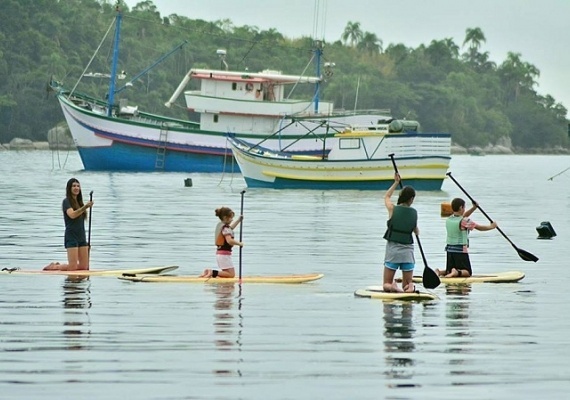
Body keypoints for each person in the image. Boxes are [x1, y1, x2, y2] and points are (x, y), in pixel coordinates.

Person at [437, 198, 497, 278]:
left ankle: (440, 272)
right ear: (461, 208)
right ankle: (455, 273)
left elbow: (463, 216)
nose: (464, 209)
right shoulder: (464, 221)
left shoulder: (450, 218)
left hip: (449, 250)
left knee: (449, 270)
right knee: (468, 272)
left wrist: (474, 208)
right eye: (464, 207)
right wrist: (491, 227)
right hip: (460, 250)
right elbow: (479, 227)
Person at [44, 178, 94, 271]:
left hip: (82, 236)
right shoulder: (66, 202)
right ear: (69, 188)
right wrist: (85, 207)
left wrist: (84, 206)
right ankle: (55, 267)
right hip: (71, 236)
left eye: (78, 186)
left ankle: (59, 266)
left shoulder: (79, 202)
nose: (76, 188)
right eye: (74, 186)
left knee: (84, 267)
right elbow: (72, 215)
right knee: (73, 267)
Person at [382, 173, 418, 293]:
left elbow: (386, 197)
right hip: (408, 253)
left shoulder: (393, 209)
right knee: (406, 284)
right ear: (412, 199)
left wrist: (396, 183)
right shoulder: (414, 213)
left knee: (386, 284)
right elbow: (416, 232)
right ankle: (410, 286)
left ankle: (392, 286)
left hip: (393, 251)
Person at [200, 206, 243, 278]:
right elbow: (229, 241)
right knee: (231, 275)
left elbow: (230, 229)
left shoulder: (223, 226)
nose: (232, 220)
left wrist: (238, 220)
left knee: (227, 273)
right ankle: (212, 272)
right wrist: (239, 244)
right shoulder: (225, 228)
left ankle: (209, 271)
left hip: (221, 254)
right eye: (231, 218)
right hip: (224, 255)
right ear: (226, 218)